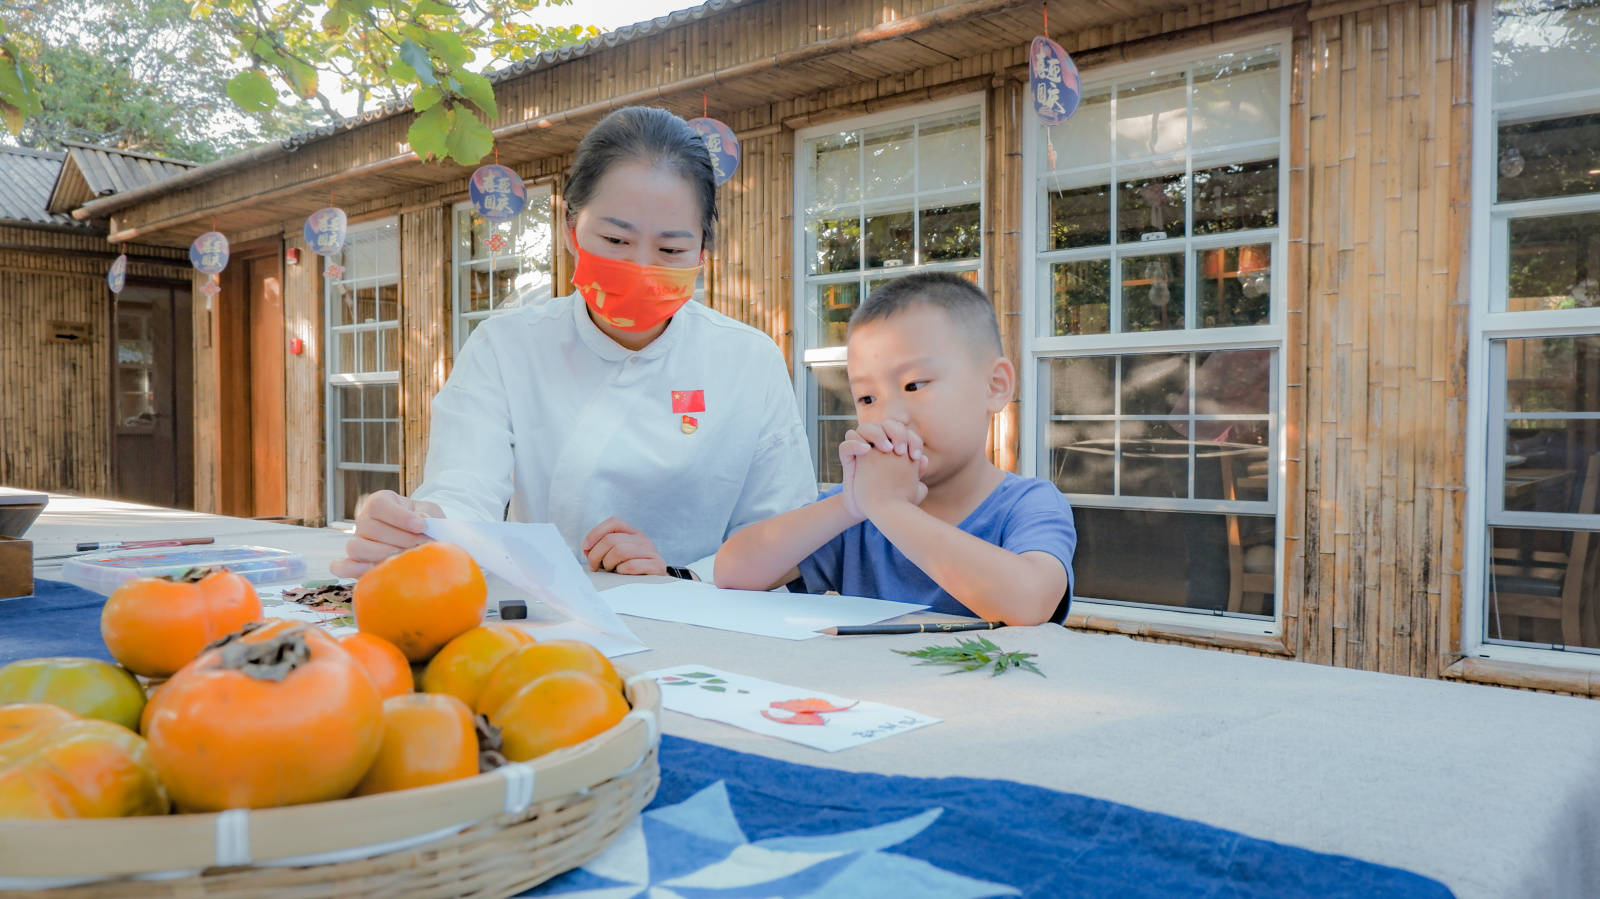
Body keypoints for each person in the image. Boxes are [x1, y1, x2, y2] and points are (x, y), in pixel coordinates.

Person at [331, 106, 815, 579]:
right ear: (570, 230)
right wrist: (416, 525)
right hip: (546, 619)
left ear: (703, 253)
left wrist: (678, 575)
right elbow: (464, 491)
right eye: (615, 240)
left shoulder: (747, 360)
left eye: (670, 250)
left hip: (712, 628)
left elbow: (784, 537)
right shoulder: (507, 346)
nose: (639, 268)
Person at [715, 273, 1076, 625]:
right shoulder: (859, 510)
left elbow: (1030, 604)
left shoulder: (1028, 503)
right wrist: (849, 505)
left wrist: (890, 508)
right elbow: (732, 573)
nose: (889, 415)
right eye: (867, 397)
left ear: (995, 386)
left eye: (914, 385)